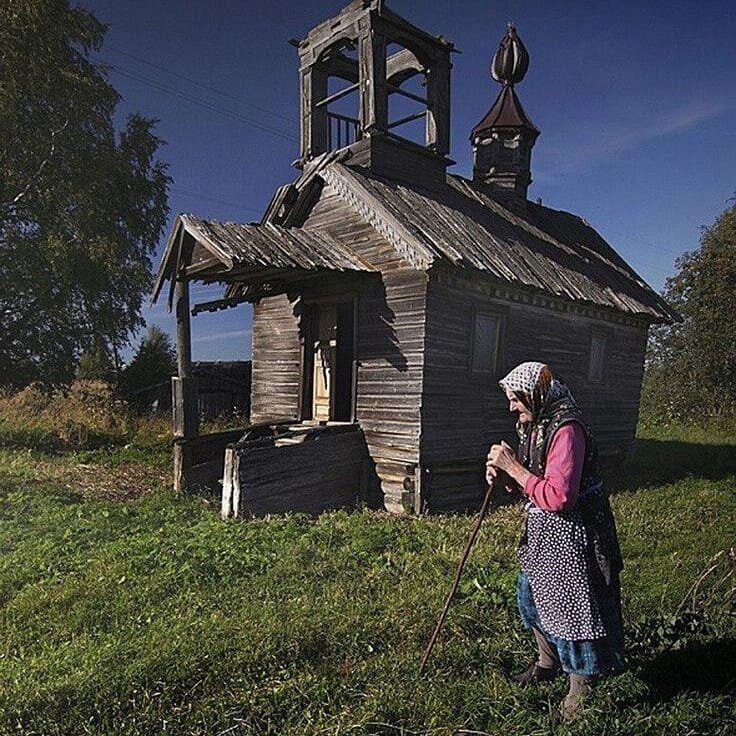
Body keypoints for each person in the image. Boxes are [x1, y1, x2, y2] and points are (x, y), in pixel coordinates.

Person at [486, 361, 625, 721]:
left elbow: (561, 496)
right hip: (544, 533)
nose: (512, 407)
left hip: (574, 534)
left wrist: (515, 468)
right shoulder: (535, 424)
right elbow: (536, 483)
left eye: (516, 399)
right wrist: (506, 476)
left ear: (535, 393)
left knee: (571, 613)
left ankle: (582, 691)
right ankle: (547, 663)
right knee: (530, 599)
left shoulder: (566, 428)